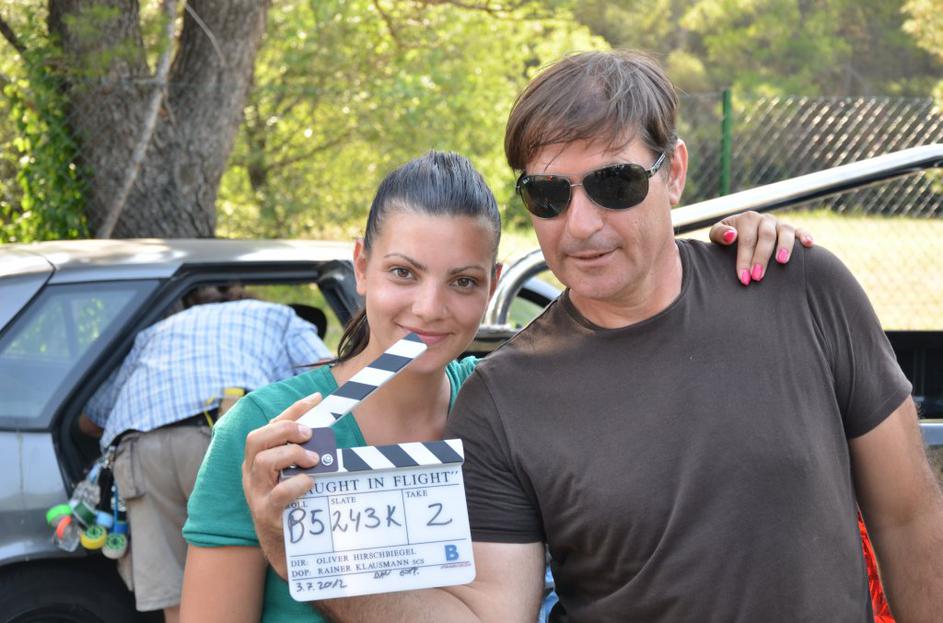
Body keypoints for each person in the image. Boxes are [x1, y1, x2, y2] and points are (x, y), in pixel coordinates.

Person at [261, 52, 940, 621]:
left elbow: (908, 518)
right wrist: (309, 561)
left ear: (673, 173)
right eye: (548, 195)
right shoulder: (502, 399)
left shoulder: (800, 288)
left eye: (614, 184)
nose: (580, 224)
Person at [180, 150, 807, 622]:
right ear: (362, 266)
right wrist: (281, 538)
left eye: (463, 282)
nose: (429, 308)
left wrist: (737, 252)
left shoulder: (510, 410)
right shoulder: (265, 437)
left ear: (493, 282)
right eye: (403, 273)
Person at [81, 286, 330, 622]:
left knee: (176, 596)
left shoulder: (155, 331)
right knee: (239, 574)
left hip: (140, 447)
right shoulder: (280, 316)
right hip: (222, 436)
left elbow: (92, 417)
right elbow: (327, 380)